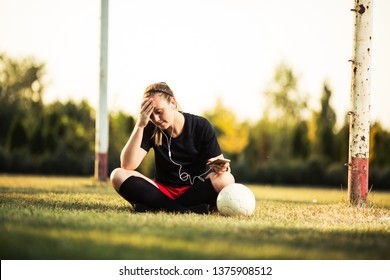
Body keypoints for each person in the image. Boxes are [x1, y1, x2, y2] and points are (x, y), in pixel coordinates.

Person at [110, 82, 235, 214]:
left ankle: (155, 207)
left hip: (193, 191)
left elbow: (222, 168)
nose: (156, 119)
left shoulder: (200, 125)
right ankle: (185, 210)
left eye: (159, 112)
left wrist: (222, 168)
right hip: (161, 191)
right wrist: (140, 125)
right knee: (117, 175)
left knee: (227, 179)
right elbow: (127, 165)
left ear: (173, 103)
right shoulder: (150, 127)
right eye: (150, 115)